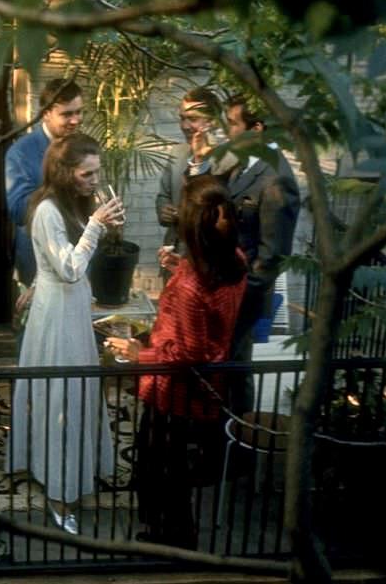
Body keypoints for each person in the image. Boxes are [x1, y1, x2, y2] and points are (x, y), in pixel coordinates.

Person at [107, 175, 248, 549]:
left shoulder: (191, 287)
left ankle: (171, 542)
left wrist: (138, 354)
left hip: (173, 392)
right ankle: (168, 534)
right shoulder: (234, 260)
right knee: (170, 469)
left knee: (163, 472)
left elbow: (189, 353)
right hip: (206, 388)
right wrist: (180, 266)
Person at [7, 133, 126, 535]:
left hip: (70, 307)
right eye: (86, 173)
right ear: (64, 172)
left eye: (96, 172)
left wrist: (104, 227)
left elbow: (58, 260)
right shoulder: (46, 210)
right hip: (57, 317)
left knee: (78, 393)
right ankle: (59, 492)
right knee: (61, 397)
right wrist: (95, 226)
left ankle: (75, 470)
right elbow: (70, 268)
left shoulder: (74, 203)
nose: (94, 180)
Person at [222, 94, 300, 411]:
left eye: (232, 124)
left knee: (235, 367)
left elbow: (273, 256)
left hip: (243, 296)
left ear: (256, 129)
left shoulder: (276, 178)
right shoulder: (246, 164)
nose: (227, 132)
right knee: (225, 364)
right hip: (227, 287)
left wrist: (239, 294)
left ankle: (238, 428)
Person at [5, 78, 83, 288]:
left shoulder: (80, 145)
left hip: (80, 256)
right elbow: (18, 211)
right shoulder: (20, 152)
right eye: (67, 114)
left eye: (79, 112)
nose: (75, 120)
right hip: (39, 262)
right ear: (46, 113)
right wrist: (61, 186)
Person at [155, 87, 224, 280]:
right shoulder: (177, 154)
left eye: (192, 119)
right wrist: (163, 210)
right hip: (172, 258)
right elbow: (163, 195)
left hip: (207, 264)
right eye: (182, 118)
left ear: (212, 121)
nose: (184, 125)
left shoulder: (227, 161)